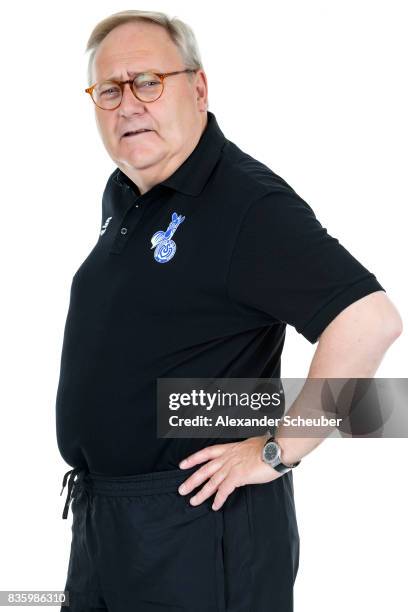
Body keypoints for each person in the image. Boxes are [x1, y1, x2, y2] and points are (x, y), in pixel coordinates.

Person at [55, 10, 402, 612]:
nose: (127, 105)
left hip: (196, 526)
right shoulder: (128, 193)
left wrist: (278, 450)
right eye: (109, 89)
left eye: (148, 82)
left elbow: (370, 320)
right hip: (107, 523)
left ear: (198, 87)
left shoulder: (246, 203)